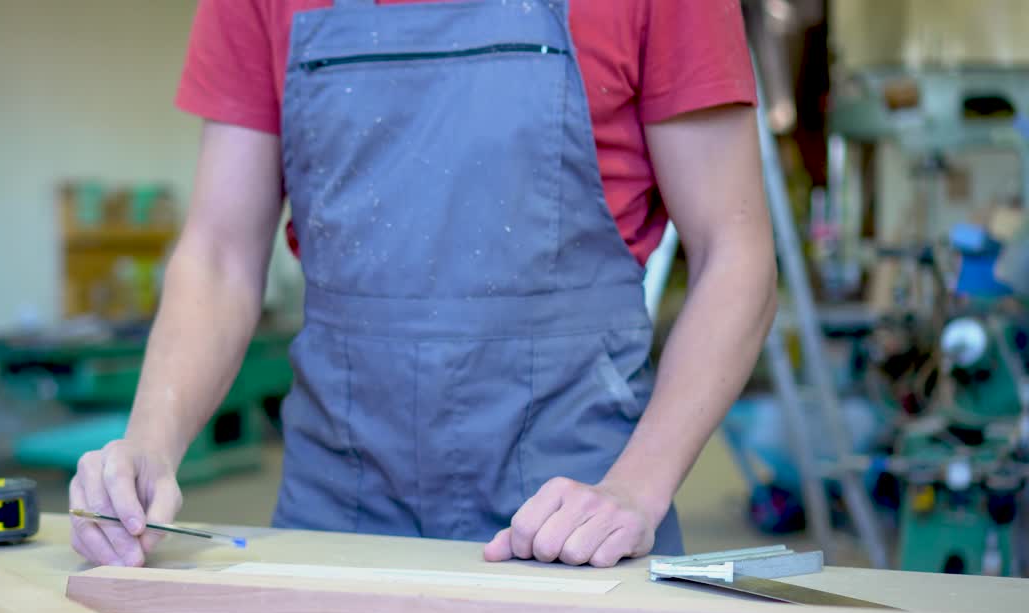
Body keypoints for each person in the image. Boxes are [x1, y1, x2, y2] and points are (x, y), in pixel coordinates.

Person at [69, 0, 778, 569]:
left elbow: (735, 252)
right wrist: (149, 443)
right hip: (339, 501)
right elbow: (220, 252)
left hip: (577, 504)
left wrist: (635, 488)